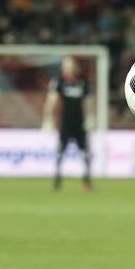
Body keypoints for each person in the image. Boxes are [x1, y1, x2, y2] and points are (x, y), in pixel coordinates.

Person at [42, 55, 92, 190]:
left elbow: (87, 102)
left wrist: (90, 118)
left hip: (80, 123)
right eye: (66, 65)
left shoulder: (82, 81)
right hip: (65, 123)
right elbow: (51, 100)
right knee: (60, 153)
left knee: (86, 153)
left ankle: (86, 181)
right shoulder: (59, 81)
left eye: (70, 65)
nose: (68, 68)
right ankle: (57, 182)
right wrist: (48, 119)